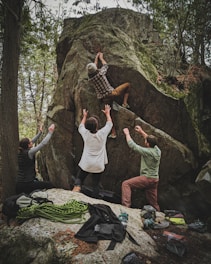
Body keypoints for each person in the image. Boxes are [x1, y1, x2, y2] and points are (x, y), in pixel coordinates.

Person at [86, 52, 131, 139]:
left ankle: (113, 133)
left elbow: (93, 68)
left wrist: (96, 58)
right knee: (128, 85)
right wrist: (101, 58)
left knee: (109, 115)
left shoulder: (90, 79)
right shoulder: (101, 73)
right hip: (112, 93)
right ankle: (125, 103)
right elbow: (105, 65)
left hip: (104, 99)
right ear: (96, 69)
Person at [72, 104, 113, 198]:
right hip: (98, 165)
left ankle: (76, 190)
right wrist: (107, 113)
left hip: (86, 163)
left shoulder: (85, 134)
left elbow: (80, 126)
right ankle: (95, 200)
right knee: (96, 184)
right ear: (97, 125)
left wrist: (84, 116)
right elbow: (110, 124)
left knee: (79, 178)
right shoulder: (102, 134)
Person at [121, 125, 161, 211]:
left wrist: (127, 134)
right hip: (155, 179)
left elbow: (133, 146)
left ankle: (126, 207)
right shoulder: (158, 150)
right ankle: (158, 213)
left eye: (146, 141)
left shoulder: (147, 152)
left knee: (126, 184)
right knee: (153, 202)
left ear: (147, 143)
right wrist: (141, 131)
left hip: (147, 178)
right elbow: (149, 139)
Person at [16, 124, 55, 194]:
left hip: (19, 184)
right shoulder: (30, 153)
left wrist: (40, 132)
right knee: (49, 185)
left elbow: (32, 141)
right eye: (30, 142)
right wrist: (50, 132)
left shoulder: (21, 152)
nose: (32, 142)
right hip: (27, 184)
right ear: (28, 145)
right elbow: (43, 144)